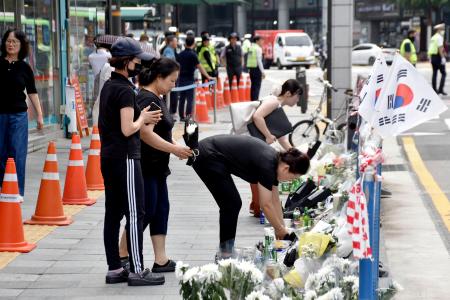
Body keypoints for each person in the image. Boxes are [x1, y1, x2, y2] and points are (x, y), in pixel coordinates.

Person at [98, 37, 165, 286]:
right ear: (127, 62)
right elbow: (128, 129)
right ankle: (137, 269)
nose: (139, 66)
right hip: (125, 157)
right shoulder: (125, 90)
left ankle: (115, 268)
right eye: (137, 61)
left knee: (112, 214)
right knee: (136, 213)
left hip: (109, 156)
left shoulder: (108, 86)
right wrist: (144, 117)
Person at [192, 135, 310, 257]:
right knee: (231, 203)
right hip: (207, 154)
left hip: (213, 153)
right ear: (286, 168)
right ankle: (225, 252)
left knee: (232, 203)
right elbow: (266, 205)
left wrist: (282, 229)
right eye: (291, 178)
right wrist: (279, 229)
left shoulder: (275, 162)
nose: (289, 181)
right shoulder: (268, 165)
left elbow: (275, 201)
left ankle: (226, 249)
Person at [136, 58, 193, 273]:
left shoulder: (156, 98)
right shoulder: (147, 100)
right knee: (145, 212)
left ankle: (161, 260)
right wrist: (173, 149)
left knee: (160, 210)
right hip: (146, 165)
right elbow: (145, 135)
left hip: (158, 166)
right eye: (171, 80)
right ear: (159, 77)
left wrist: (176, 146)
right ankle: (123, 253)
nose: (174, 85)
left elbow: (163, 133)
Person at [248, 79, 302, 217]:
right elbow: (257, 116)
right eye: (297, 96)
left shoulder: (277, 106)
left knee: (256, 174)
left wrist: (297, 155)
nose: (298, 100)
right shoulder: (273, 102)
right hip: (250, 142)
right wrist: (268, 135)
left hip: (255, 143)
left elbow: (282, 138)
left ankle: (257, 207)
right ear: (289, 93)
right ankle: (259, 207)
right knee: (257, 174)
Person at [0, 29, 43, 197]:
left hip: (18, 116)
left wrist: (39, 114)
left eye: (15, 42)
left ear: (21, 45)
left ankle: (17, 192)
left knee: (17, 153)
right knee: (1, 153)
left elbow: (32, 92)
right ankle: (3, 189)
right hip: (0, 115)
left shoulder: (25, 68)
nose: (11, 44)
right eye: (8, 41)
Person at [174, 36, 212, 121]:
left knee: (182, 99)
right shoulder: (193, 55)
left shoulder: (180, 54)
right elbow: (200, 67)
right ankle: (188, 116)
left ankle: (181, 117)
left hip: (181, 79)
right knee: (190, 99)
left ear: (186, 43)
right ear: (193, 43)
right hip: (190, 79)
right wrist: (207, 76)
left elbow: (177, 67)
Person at [428, 23, 447, 95]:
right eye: (442, 29)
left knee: (435, 73)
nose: (443, 30)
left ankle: (434, 90)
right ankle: (440, 89)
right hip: (438, 56)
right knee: (444, 73)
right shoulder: (439, 37)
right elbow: (440, 48)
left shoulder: (433, 37)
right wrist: (442, 58)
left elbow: (431, 48)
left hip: (433, 56)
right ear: (439, 30)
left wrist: (430, 57)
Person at [247, 36, 265, 100]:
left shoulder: (251, 47)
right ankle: (255, 100)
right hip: (257, 69)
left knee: (253, 86)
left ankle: (252, 100)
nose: (262, 42)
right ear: (257, 41)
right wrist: (263, 72)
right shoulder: (258, 48)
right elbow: (259, 61)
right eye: (261, 40)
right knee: (257, 86)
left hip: (251, 69)